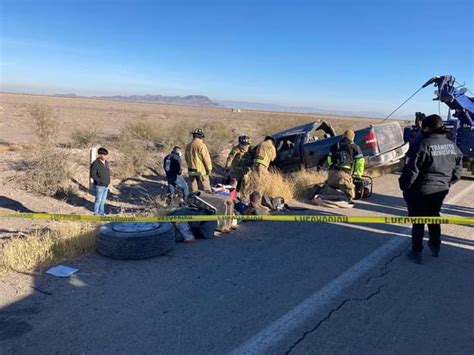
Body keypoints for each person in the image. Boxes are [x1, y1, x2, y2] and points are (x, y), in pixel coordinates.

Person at [399, 114, 463, 264]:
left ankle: (416, 252)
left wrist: (404, 185)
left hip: (421, 190)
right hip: (440, 190)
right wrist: (448, 182)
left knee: (418, 221)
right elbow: (458, 168)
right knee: (434, 216)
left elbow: (412, 170)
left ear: (427, 128)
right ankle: (435, 246)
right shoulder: (452, 145)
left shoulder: (424, 145)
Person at [326, 130, 365, 200]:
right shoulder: (355, 147)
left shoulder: (334, 146)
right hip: (344, 176)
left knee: (330, 187)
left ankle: (332, 190)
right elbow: (360, 162)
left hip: (331, 175)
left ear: (343, 136)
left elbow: (329, 159)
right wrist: (358, 175)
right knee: (352, 195)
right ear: (352, 138)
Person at [185, 128, 212, 193]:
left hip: (191, 170)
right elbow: (206, 159)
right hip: (201, 171)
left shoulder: (188, 145)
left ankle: (194, 200)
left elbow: (186, 158)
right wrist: (209, 169)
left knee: (194, 189)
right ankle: (207, 200)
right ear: (201, 136)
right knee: (206, 188)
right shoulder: (202, 145)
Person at [90, 147, 111, 216]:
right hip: (99, 185)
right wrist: (100, 181)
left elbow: (107, 173)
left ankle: (102, 212)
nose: (106, 156)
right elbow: (92, 175)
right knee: (98, 200)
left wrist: (108, 181)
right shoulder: (95, 163)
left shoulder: (106, 163)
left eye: (106, 155)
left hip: (106, 185)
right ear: (100, 155)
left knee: (103, 201)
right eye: (104, 155)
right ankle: (96, 213)